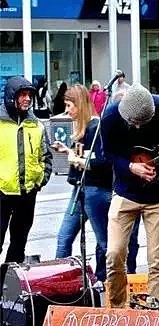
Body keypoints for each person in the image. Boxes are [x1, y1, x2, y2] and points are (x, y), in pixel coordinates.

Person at [101, 83, 159, 310]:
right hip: (125, 192)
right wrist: (131, 167)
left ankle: (156, 313)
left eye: (143, 122)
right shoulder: (110, 116)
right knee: (114, 253)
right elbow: (107, 152)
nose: (138, 126)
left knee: (158, 262)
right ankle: (118, 308)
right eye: (133, 123)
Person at [54, 84, 113, 283]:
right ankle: (60, 280)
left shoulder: (95, 127)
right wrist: (68, 151)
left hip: (94, 189)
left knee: (104, 241)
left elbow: (101, 162)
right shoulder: (84, 128)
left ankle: (107, 278)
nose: (67, 110)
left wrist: (74, 158)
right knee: (64, 236)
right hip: (82, 188)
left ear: (79, 105)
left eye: (70, 105)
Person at [0, 76, 52, 264]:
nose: (27, 99)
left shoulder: (36, 125)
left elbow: (46, 156)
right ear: (11, 97)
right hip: (2, 193)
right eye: (22, 95)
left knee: (19, 243)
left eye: (29, 95)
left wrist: (40, 181)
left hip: (27, 194)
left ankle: (7, 284)